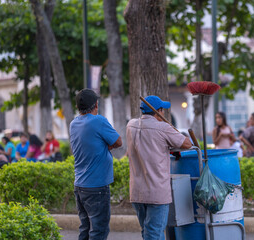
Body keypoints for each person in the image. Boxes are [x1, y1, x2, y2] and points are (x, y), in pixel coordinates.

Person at [126, 95, 192, 240]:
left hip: (137, 191)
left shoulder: (130, 125)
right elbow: (187, 144)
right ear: (159, 111)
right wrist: (172, 131)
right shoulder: (163, 128)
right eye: (163, 111)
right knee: (154, 233)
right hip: (156, 192)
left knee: (147, 232)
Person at [70, 88, 122, 240]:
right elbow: (118, 142)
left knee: (85, 229)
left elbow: (89, 144)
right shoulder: (98, 121)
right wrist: (106, 146)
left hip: (80, 185)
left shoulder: (74, 123)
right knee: (98, 231)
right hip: (96, 187)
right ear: (96, 105)